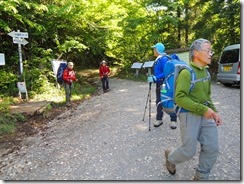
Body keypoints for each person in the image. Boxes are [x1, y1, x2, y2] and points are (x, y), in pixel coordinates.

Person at [164, 38, 222, 180]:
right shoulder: (186, 73)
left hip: (205, 113)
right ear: (196, 53)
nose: (211, 54)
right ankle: (170, 158)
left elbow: (207, 96)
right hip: (188, 114)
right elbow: (180, 98)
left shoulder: (206, 73)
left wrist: (214, 111)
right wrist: (204, 110)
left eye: (211, 51)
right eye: (207, 51)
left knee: (212, 148)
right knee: (188, 151)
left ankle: (201, 176)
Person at [147, 43, 177, 129]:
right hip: (160, 83)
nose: (153, 51)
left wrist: (155, 78)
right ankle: (159, 118)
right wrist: (154, 77)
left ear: (157, 50)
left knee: (168, 100)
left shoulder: (163, 59)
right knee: (159, 100)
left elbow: (166, 72)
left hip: (164, 84)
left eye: (154, 49)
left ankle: (173, 120)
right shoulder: (159, 59)